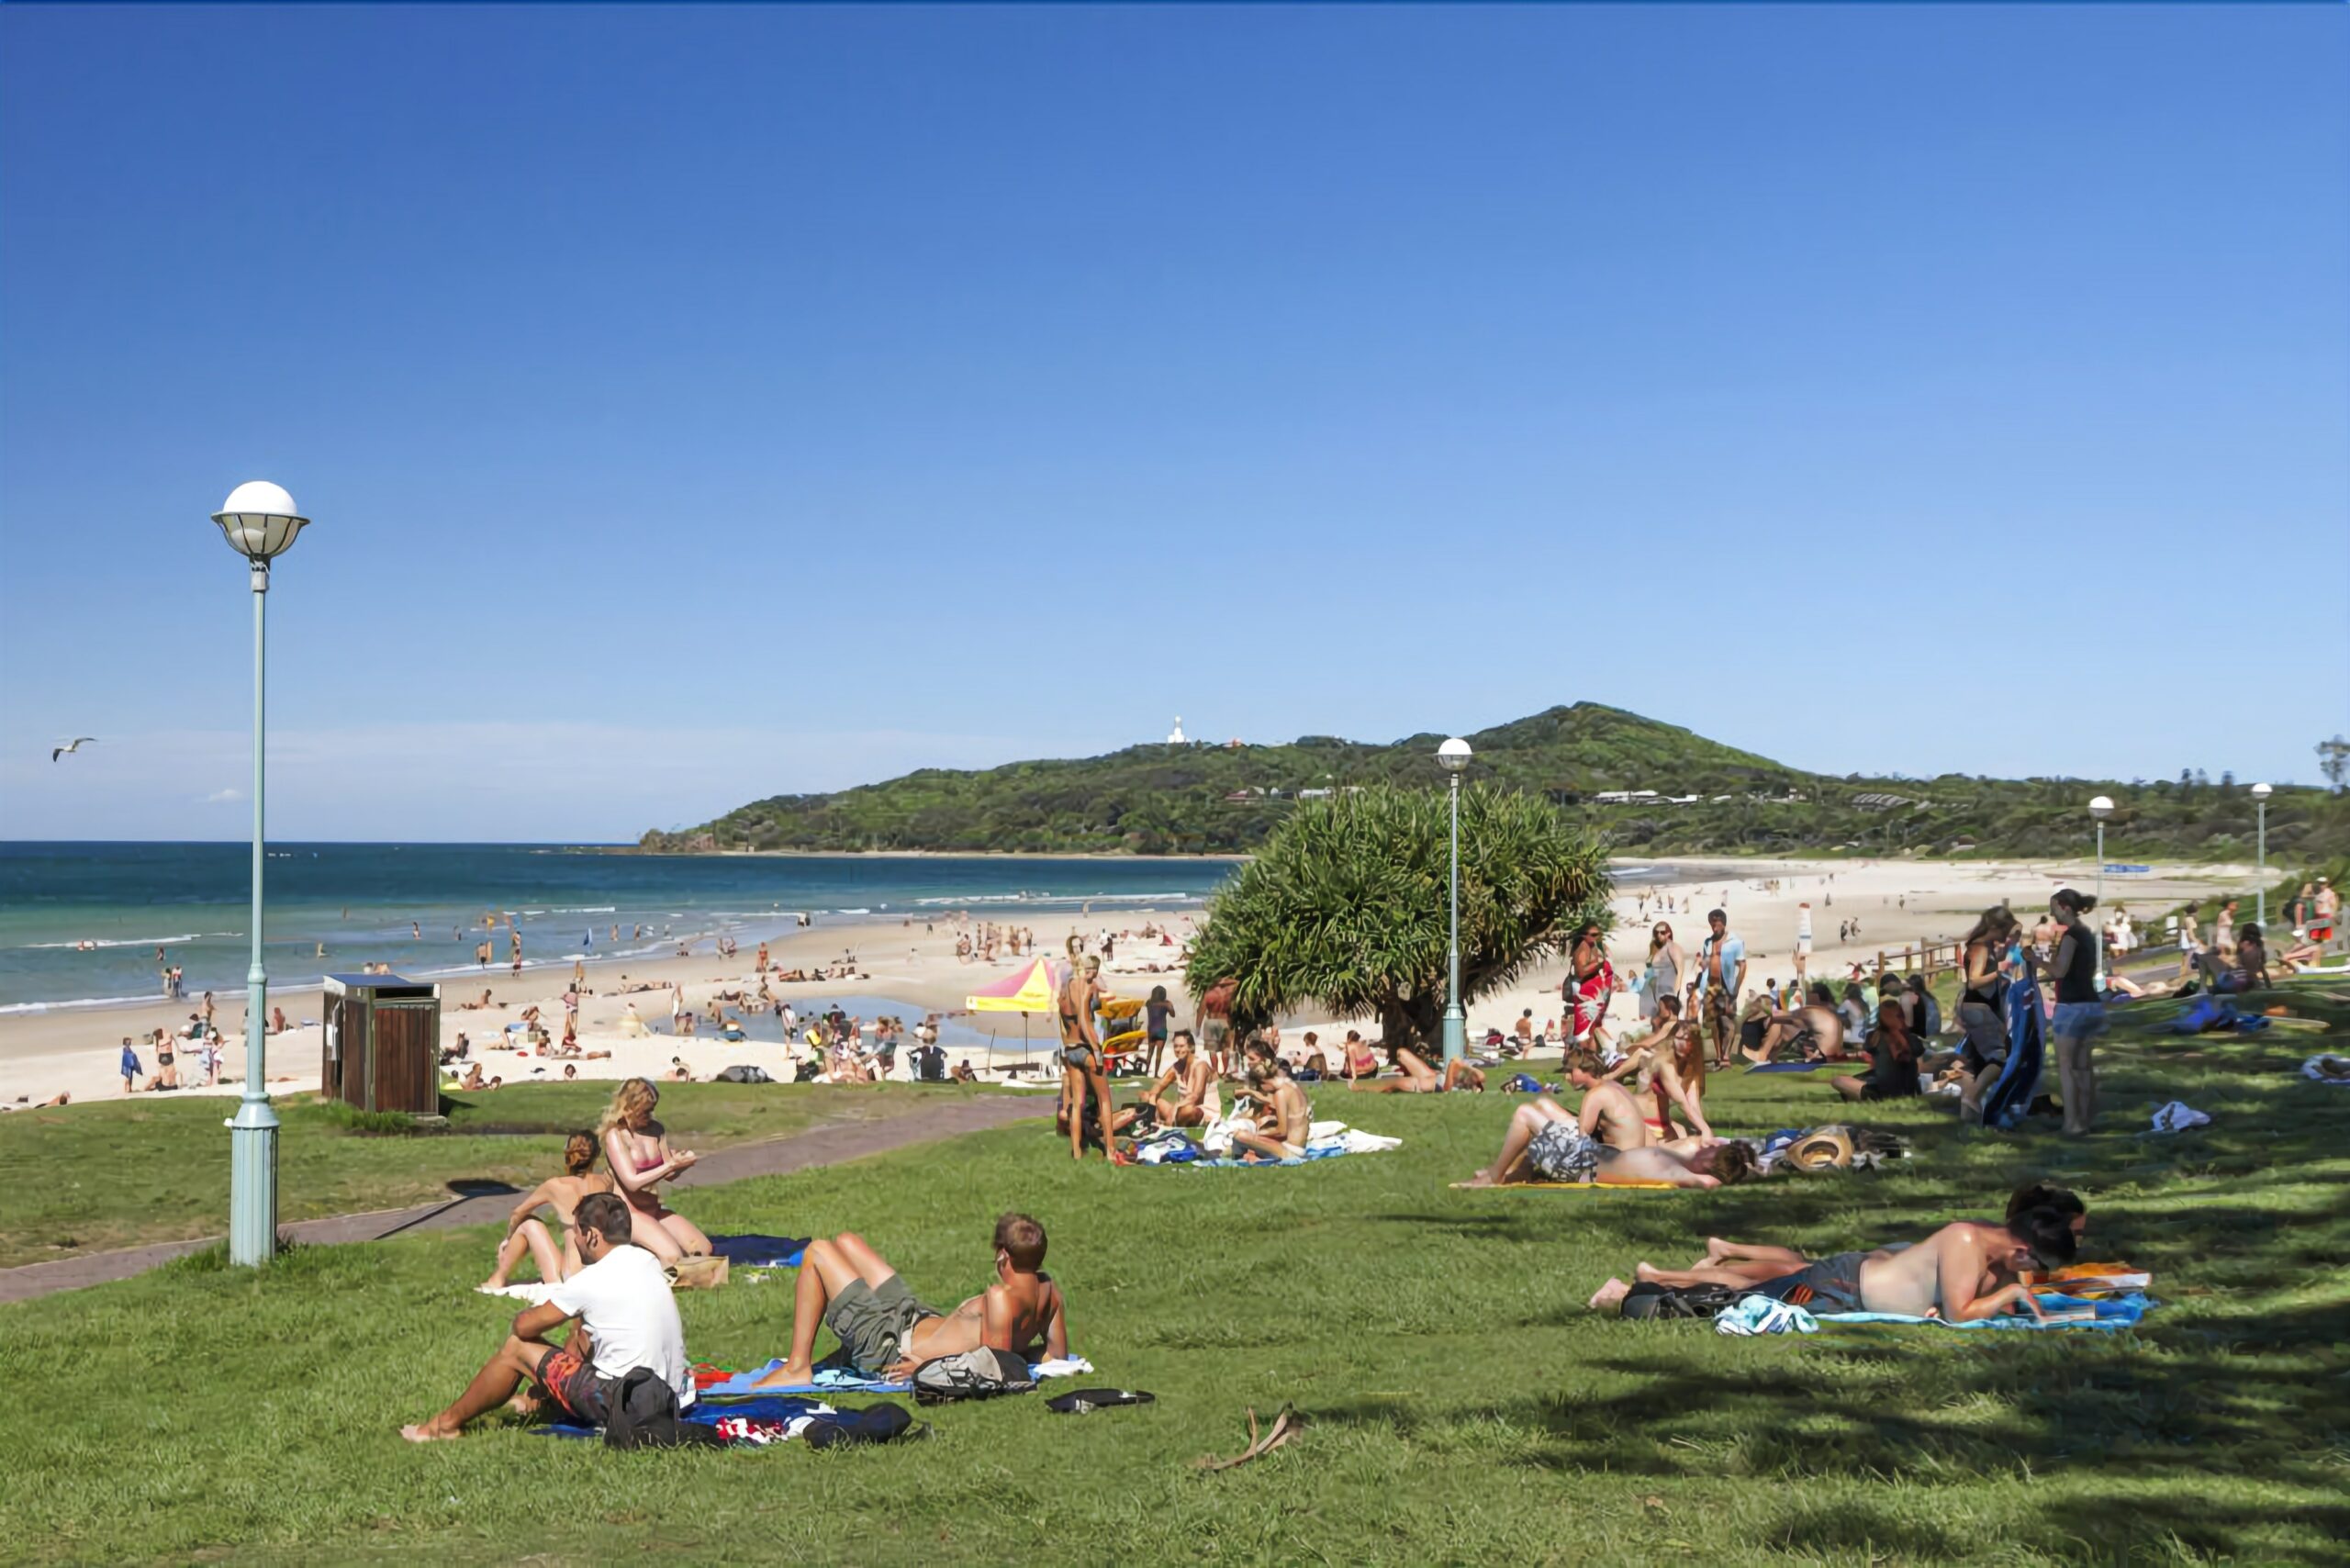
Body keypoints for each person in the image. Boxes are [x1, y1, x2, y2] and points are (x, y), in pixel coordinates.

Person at [403, 1193, 691, 1440]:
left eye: (577, 1233)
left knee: (516, 1348)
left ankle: (443, 1426)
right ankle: (539, 1401)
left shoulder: (591, 1280)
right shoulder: (647, 1261)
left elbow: (524, 1326)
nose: (576, 1242)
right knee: (582, 1332)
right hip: (667, 1397)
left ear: (591, 1235)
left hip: (624, 1404)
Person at [749, 1214, 1068, 1388]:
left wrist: (926, 1369)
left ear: (1002, 1255)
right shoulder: (1048, 1291)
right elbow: (1056, 1355)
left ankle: (797, 1366)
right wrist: (1021, 1349)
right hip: (913, 1317)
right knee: (847, 1242)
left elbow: (991, 1370)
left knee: (817, 1250)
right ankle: (807, 1362)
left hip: (890, 1347)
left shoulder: (1000, 1298)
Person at [482, 1131, 616, 1291]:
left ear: (567, 1153)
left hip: (572, 1277)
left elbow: (518, 1213)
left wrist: (508, 1240)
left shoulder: (556, 1186)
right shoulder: (606, 1183)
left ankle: (497, 1279)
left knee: (528, 1223)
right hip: (600, 1273)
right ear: (597, 1154)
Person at [599, 1078, 711, 1262]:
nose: (649, 1115)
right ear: (630, 1107)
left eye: (652, 1109)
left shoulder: (656, 1130)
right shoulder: (616, 1135)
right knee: (673, 1257)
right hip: (628, 1213)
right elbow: (632, 1182)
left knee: (703, 1250)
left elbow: (670, 1175)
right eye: (645, 1110)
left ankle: (652, 1257)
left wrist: (682, 1164)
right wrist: (671, 1165)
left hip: (653, 1208)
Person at [2042, 890, 2107, 1137]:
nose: (2051, 913)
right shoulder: (2087, 934)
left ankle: (2073, 1123)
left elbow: (2059, 971)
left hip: (2071, 1007)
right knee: (2083, 1066)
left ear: (2064, 907)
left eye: (2053, 908)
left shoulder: (2071, 936)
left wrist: (2036, 961)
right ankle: (2086, 1118)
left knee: (2067, 1067)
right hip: (2091, 1004)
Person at [1056, 955, 1117, 1163]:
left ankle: (1077, 1152)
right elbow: (1083, 1020)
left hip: (1070, 1049)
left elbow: (1065, 1026)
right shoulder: (1086, 987)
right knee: (1105, 1100)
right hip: (1085, 1048)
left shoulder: (1063, 993)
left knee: (1077, 1104)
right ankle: (1110, 1151)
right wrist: (1096, 1048)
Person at [1627, 995, 1712, 1139]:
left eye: (1683, 1040)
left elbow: (1693, 1104)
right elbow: (1684, 1106)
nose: (1678, 1044)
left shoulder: (1689, 1070)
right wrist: (1706, 1131)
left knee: (1686, 1137)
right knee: (1687, 1145)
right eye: (1676, 1039)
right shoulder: (1665, 1065)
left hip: (1661, 1121)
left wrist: (1703, 1130)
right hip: (1641, 1119)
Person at [1230, 1042, 1312, 1161]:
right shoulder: (1289, 1086)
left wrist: (1256, 1135)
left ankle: (1241, 1156)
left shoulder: (1280, 1093)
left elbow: (1281, 1131)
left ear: (1264, 1083)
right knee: (1247, 1143)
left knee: (1240, 1136)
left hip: (1291, 1151)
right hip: (1297, 1147)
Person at [1830, 1000, 1921, 1102]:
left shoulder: (1874, 1037)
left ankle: (1866, 1096)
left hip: (1882, 1093)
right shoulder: (1912, 1039)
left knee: (1839, 1080)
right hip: (1909, 1091)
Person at [1690, 908, 1747, 1070]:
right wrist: (1697, 981)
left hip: (1726, 986)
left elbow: (1742, 966)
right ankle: (1718, 1056)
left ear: (1723, 924)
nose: (1715, 927)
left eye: (1717, 923)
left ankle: (1726, 1056)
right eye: (1712, 924)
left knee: (1728, 1023)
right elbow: (1707, 963)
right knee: (1713, 1024)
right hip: (1710, 987)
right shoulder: (1708, 942)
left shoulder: (1735, 942)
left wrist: (1736, 988)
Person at [1144, 1029, 1220, 1127]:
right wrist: (1152, 1098)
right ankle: (1162, 1122)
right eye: (1175, 1046)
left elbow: (1195, 1096)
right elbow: (1159, 1086)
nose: (1178, 1050)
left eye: (1181, 1046)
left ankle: (1170, 1122)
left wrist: (1175, 1109)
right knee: (1152, 1098)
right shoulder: (1176, 1067)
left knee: (1188, 1110)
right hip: (1180, 1109)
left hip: (1202, 1111)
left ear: (1190, 1047)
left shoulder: (1200, 1066)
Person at [2198, 922, 2272, 994]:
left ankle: (2203, 989)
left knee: (2204, 959)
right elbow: (2262, 969)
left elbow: (2240, 963)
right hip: (2250, 979)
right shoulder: (2259, 947)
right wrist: (2269, 987)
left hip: (2241, 979)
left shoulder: (2244, 944)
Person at [1639, 922, 1684, 1025]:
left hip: (1667, 992)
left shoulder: (1673, 947)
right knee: (1655, 1023)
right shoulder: (1658, 948)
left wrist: (1676, 994)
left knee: (1668, 1021)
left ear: (1668, 933)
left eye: (1662, 932)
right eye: (1657, 933)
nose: (1659, 935)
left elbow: (1680, 970)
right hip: (1654, 992)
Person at [1196, 975, 1237, 1078]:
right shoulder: (1229, 993)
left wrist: (1197, 1027)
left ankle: (1215, 1072)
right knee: (1225, 1049)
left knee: (1212, 1050)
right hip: (1225, 1022)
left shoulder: (1209, 994)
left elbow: (1201, 1010)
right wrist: (1228, 981)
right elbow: (1238, 982)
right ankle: (1223, 1073)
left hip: (1211, 1022)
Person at [1142, 984, 1176, 1077]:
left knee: (1150, 1052)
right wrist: (1170, 1006)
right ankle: (1156, 1074)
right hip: (1161, 1029)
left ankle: (1146, 1072)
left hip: (1152, 1029)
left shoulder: (1149, 1003)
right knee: (1159, 1053)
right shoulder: (1167, 1004)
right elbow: (1173, 1014)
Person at [1793, 901, 1814, 983]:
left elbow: (1797, 961)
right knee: (1804, 929)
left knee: (1805, 929)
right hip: (1804, 946)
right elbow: (1797, 960)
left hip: (1804, 946)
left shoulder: (1800, 960)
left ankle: (1805, 912)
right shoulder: (1800, 959)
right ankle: (1805, 912)